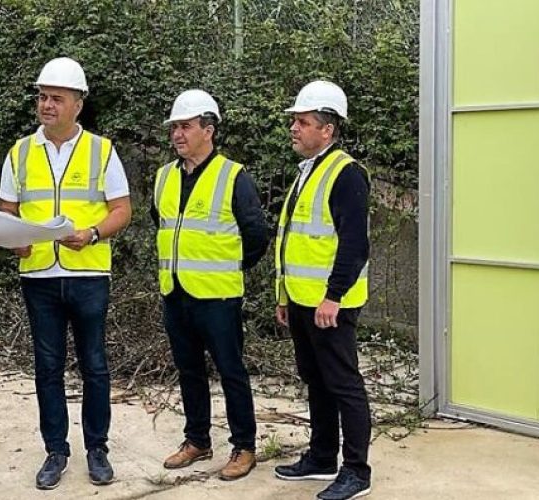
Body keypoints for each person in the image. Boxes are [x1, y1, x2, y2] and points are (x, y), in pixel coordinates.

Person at [0, 57, 131, 490]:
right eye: (42, 97)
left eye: (56, 98)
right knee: (48, 367)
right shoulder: (20, 152)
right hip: (38, 276)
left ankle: (97, 448)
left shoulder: (101, 150)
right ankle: (56, 450)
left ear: (78, 103)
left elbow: (121, 210)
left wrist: (92, 234)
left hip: (88, 272)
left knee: (94, 365)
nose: (46, 105)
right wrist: (12, 237)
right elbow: (6, 212)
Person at [151, 90, 269, 480]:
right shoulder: (164, 177)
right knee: (188, 370)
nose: (177, 135)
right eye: (174, 128)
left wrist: (229, 268)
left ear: (209, 129)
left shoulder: (234, 176)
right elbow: (163, 224)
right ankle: (197, 439)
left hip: (218, 296)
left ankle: (244, 447)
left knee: (230, 370)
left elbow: (256, 236)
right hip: (176, 291)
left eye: (185, 126)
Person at [272, 80, 373, 500]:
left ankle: (356, 471)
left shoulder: (345, 173)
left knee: (344, 384)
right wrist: (283, 294)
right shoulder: (308, 171)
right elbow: (293, 238)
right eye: (294, 120)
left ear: (327, 129)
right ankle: (321, 456)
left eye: (303, 121)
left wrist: (333, 296)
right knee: (316, 380)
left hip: (330, 305)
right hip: (301, 301)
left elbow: (355, 244)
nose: (294, 128)